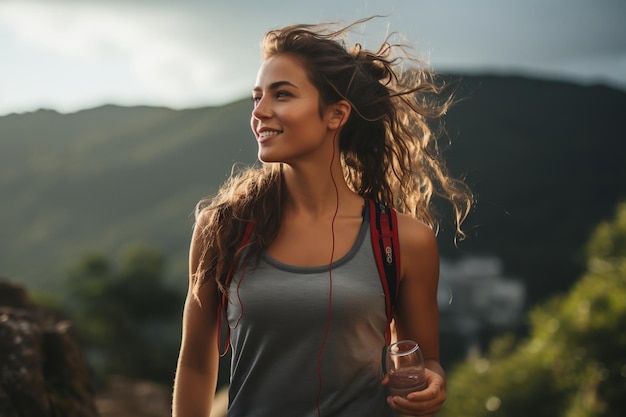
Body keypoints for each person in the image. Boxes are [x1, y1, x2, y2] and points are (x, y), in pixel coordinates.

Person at [172, 17, 473, 417]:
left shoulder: (403, 241)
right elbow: (195, 365)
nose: (259, 112)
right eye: (256, 97)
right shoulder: (224, 229)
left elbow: (425, 359)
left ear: (336, 115)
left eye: (281, 95)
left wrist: (431, 382)